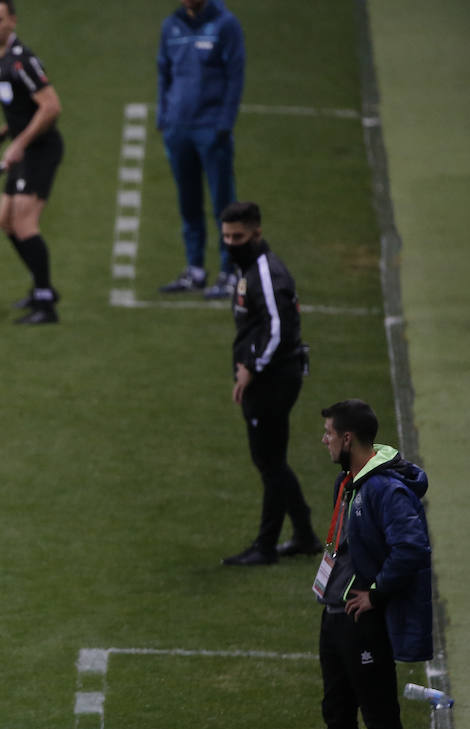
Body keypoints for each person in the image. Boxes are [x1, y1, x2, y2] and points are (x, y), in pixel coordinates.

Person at [286, 400, 432, 729]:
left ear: (348, 438)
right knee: (337, 714)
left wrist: (377, 593)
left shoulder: (385, 489)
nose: (325, 439)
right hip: (334, 617)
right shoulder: (349, 481)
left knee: (380, 721)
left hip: (362, 622)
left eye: (329, 432)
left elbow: (412, 547)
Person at [218, 201, 321, 566]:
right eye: (226, 236)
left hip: (273, 378)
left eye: (238, 236)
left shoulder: (266, 273)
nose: (231, 242)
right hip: (270, 374)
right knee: (272, 460)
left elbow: (279, 329)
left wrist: (249, 366)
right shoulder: (250, 267)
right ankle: (305, 535)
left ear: (257, 234)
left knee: (269, 462)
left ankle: (266, 546)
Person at [0, 0, 64, 325]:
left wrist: (20, 145)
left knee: (25, 224)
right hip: (24, 150)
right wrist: (0, 137)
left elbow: (51, 107)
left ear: (12, 21)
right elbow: (23, 111)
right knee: (5, 221)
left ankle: (45, 303)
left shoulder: (20, 62)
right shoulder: (1, 60)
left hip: (40, 151)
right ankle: (41, 287)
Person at [156, 0, 245, 299]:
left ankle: (229, 272)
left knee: (223, 204)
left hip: (211, 129)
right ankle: (195, 270)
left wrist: (224, 123)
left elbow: (235, 76)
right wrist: (163, 117)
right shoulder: (171, 25)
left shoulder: (225, 25)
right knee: (188, 202)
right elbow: (163, 72)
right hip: (178, 128)